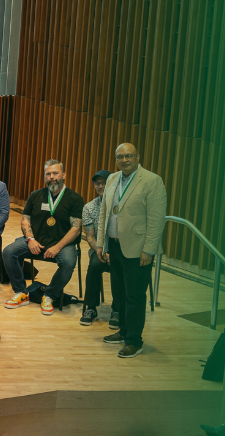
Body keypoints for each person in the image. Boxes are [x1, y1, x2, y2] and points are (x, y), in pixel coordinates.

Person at [96, 143, 167, 358]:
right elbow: (105, 214)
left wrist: (149, 250)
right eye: (120, 157)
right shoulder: (112, 179)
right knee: (119, 294)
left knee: (135, 297)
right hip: (115, 246)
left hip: (138, 251)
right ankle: (124, 331)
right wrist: (101, 243)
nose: (124, 160)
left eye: (128, 156)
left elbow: (157, 221)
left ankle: (135, 341)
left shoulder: (152, 181)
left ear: (137, 156)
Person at [2, 160, 85, 314]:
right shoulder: (36, 195)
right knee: (8, 252)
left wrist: (57, 247)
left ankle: (50, 295)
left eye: (55, 173)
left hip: (62, 245)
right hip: (37, 242)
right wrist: (30, 239)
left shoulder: (74, 198)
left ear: (64, 175)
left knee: (68, 261)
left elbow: (76, 229)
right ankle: (21, 292)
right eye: (48, 174)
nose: (52, 177)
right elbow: (25, 219)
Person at [80, 170, 117, 327]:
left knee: (119, 265)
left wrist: (112, 252)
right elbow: (89, 236)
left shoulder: (119, 205)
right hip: (99, 249)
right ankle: (91, 307)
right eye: (97, 183)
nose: (100, 186)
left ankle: (118, 309)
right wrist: (100, 250)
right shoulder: (89, 207)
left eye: (104, 183)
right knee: (94, 265)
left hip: (118, 248)